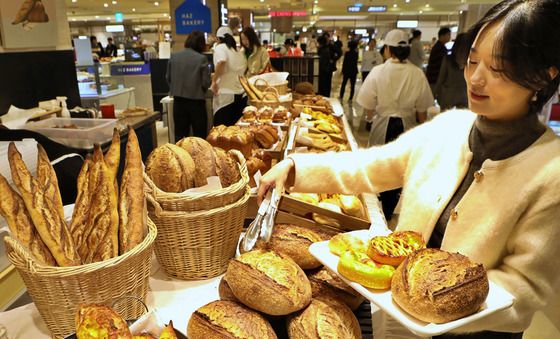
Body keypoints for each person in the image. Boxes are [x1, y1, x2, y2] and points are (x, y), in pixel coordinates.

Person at [258, 1, 560, 338]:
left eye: (499, 69)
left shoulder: (551, 172)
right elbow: (372, 166)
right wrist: (296, 168)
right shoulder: (449, 126)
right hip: (398, 319)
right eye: (473, 61)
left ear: (544, 75)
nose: (475, 78)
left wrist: (442, 303)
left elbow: (525, 288)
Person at [357, 29, 433, 220]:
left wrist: (369, 118)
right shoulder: (417, 73)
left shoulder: (378, 71)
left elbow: (367, 106)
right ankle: (389, 211)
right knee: (399, 169)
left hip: (382, 123)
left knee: (378, 164)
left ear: (388, 50)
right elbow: (422, 109)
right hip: (406, 127)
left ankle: (375, 209)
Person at [166, 30, 211, 140]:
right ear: (201, 43)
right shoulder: (201, 59)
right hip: (197, 102)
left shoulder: (174, 57)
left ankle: (179, 156)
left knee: (180, 136)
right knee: (199, 137)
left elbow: (168, 77)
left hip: (178, 101)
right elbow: (206, 82)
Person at [211, 27, 247, 126]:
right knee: (236, 131)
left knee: (221, 133)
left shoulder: (220, 47)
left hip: (226, 97)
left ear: (218, 39)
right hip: (241, 96)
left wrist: (214, 81)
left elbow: (222, 61)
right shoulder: (237, 50)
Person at [434, 33, 469, 111]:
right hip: (464, 94)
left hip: (448, 95)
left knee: (445, 120)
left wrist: (435, 93)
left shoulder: (448, 59)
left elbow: (441, 78)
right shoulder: (471, 61)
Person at [426, 27, 452, 93]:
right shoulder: (439, 48)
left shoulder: (440, 46)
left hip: (434, 77)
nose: (450, 37)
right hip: (434, 78)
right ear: (442, 36)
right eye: (448, 35)